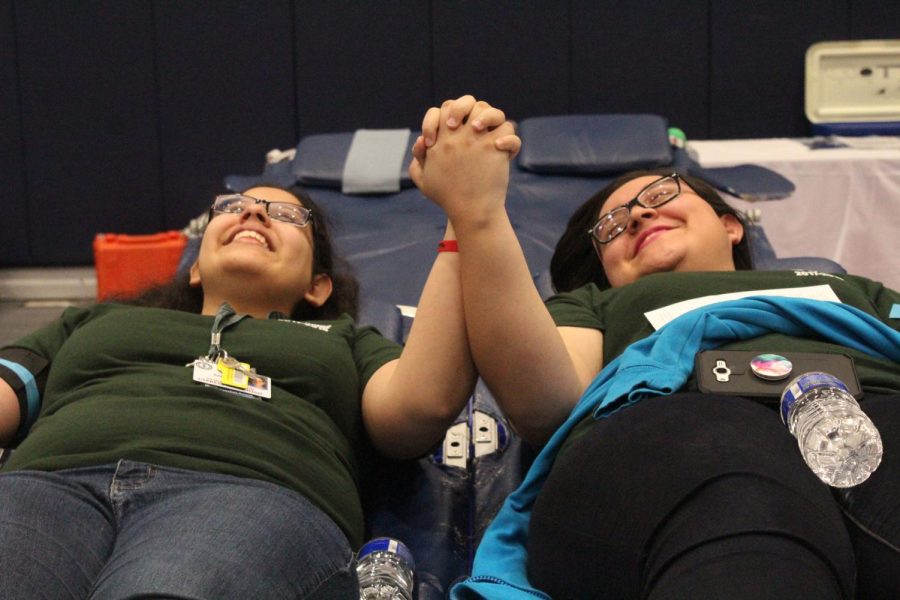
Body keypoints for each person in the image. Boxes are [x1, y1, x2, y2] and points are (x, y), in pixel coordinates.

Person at [410, 97, 900, 599]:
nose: (639, 214)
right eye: (612, 227)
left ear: (731, 225)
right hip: (679, 431)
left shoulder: (851, 289)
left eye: (661, 193)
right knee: (739, 505)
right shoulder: (597, 305)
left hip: (877, 408)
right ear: (607, 271)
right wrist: (479, 212)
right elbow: (549, 403)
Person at [0, 177, 509, 599]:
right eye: (234, 207)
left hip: (244, 493)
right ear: (195, 268)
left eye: (285, 216)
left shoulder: (343, 342)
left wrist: (462, 217)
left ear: (317, 285)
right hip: (44, 484)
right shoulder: (98, 319)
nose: (253, 215)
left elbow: (420, 408)